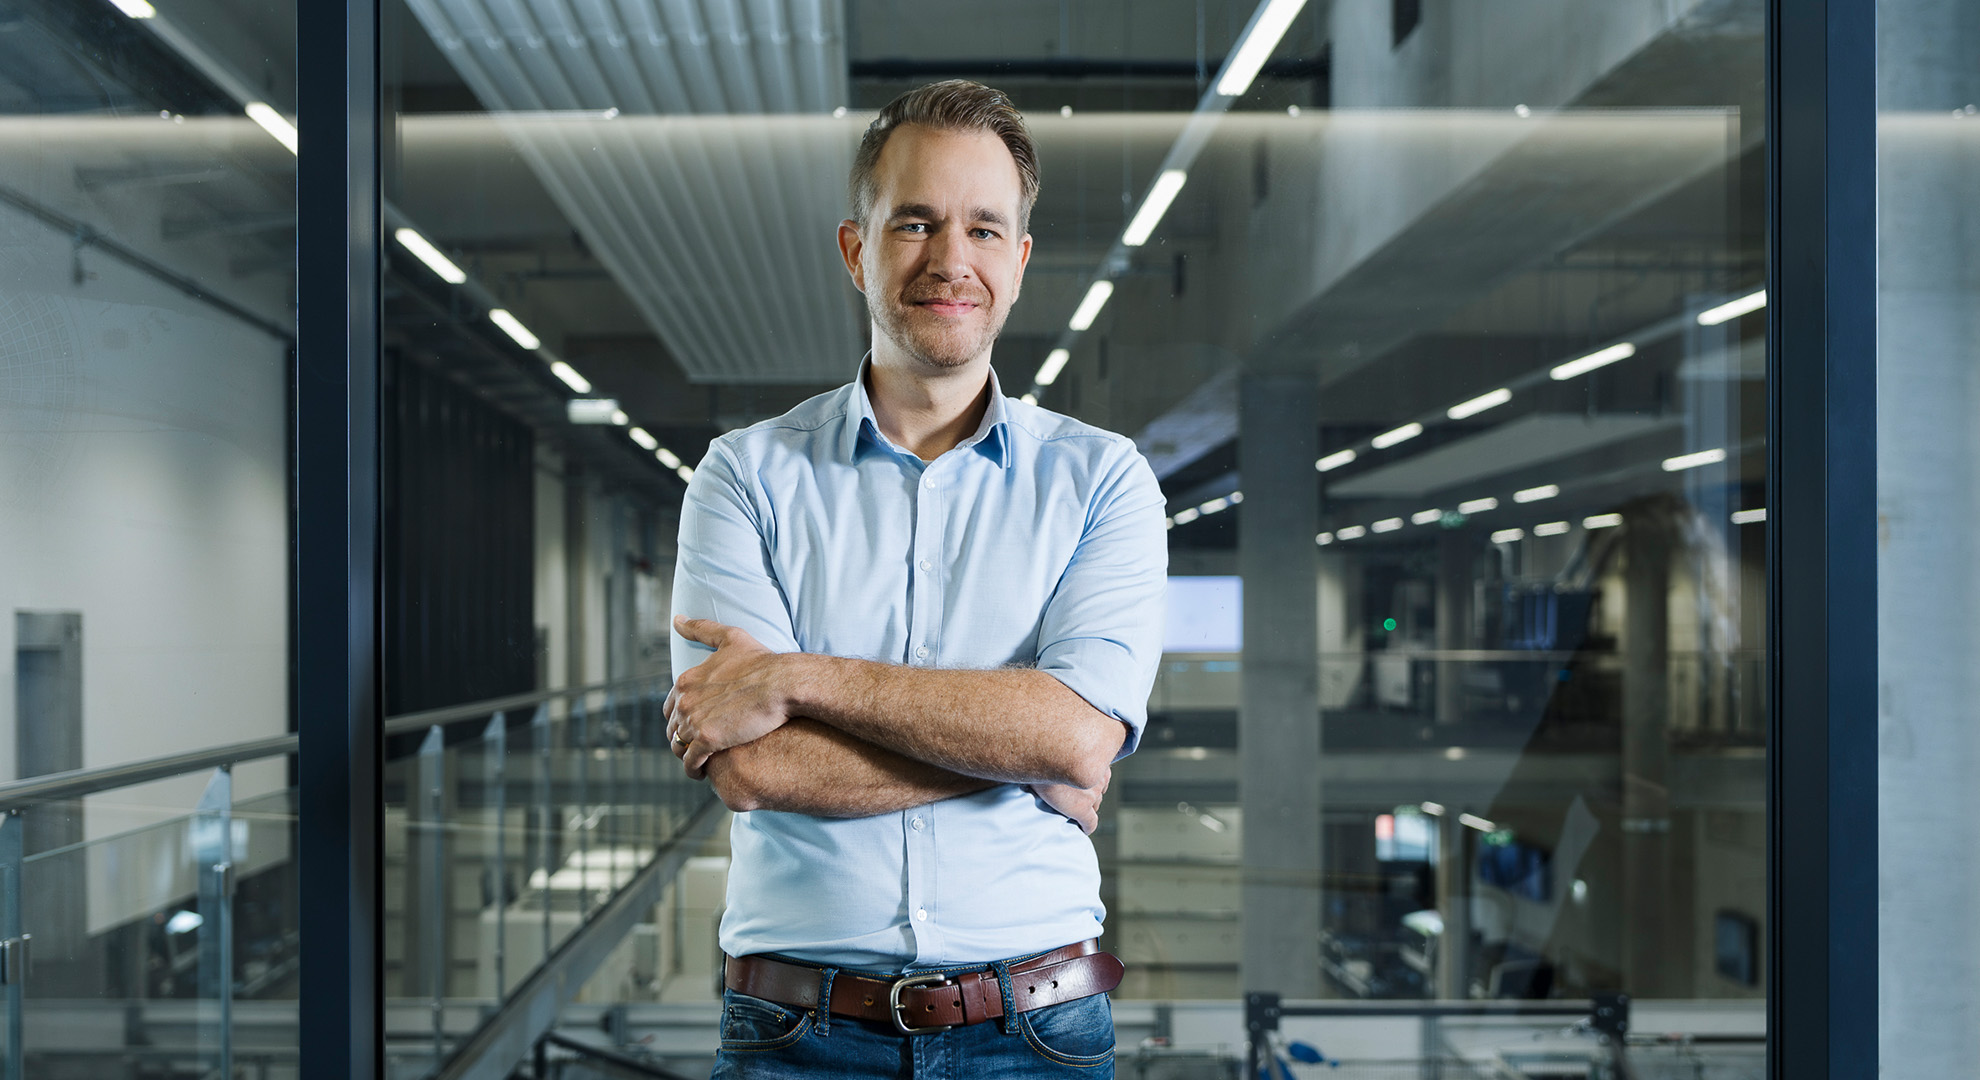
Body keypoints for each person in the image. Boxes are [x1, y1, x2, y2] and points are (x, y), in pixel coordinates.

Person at [665, 79, 1166, 1078]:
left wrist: (798, 681)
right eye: (917, 222)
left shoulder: (1103, 481)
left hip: (1037, 1034)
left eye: (985, 229)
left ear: (1018, 265)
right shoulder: (744, 477)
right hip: (795, 1036)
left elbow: (1071, 734)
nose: (952, 259)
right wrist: (1021, 757)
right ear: (857, 249)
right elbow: (753, 768)